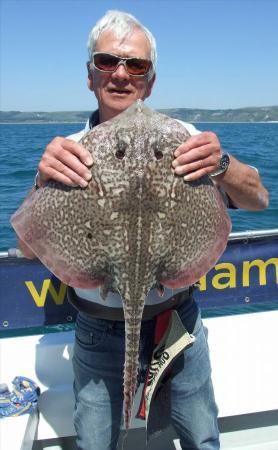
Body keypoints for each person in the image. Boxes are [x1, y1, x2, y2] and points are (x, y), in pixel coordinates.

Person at [17, 10, 269, 450]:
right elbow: (25, 248)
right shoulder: (71, 153)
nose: (121, 73)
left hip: (178, 322)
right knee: (97, 442)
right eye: (107, 61)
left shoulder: (183, 139)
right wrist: (42, 182)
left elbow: (259, 200)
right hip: (96, 330)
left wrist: (222, 164)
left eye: (136, 65)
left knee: (201, 439)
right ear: (90, 75)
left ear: (150, 81)